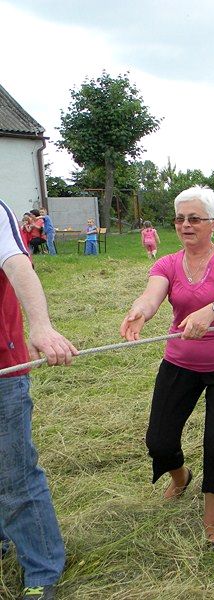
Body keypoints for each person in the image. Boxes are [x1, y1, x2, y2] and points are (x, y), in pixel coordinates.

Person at [119, 185, 214, 551]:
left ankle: (211, 522)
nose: (185, 224)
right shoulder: (166, 263)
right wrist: (140, 312)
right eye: (180, 218)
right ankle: (180, 477)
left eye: (194, 218)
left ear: (213, 222)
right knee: (159, 440)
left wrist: (212, 311)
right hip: (180, 361)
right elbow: (151, 295)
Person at [0, 198, 78, 600]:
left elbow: (18, 267)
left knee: (13, 475)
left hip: (2, 370)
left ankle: (41, 567)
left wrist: (42, 327)